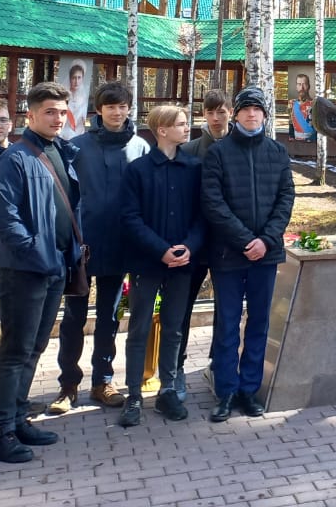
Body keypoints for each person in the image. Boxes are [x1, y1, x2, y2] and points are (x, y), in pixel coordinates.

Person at [0, 82, 80, 463]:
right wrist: (35, 253)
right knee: (15, 350)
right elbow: (2, 219)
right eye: (49, 112)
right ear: (31, 116)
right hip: (25, 270)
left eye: (61, 112)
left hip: (55, 265)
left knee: (34, 347)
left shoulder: (60, 152)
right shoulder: (16, 158)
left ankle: (16, 417)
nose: (57, 118)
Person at [51, 81, 150, 413]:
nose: (117, 112)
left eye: (123, 106)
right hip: (82, 246)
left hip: (121, 245)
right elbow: (63, 196)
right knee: (73, 317)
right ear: (99, 110)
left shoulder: (140, 147)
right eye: (111, 106)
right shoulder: (76, 147)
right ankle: (68, 385)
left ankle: (103, 381)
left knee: (109, 317)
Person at [201, 86, 295, 422]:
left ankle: (248, 390)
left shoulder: (277, 153)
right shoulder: (218, 154)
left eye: (258, 110)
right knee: (227, 324)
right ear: (236, 114)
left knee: (259, 322)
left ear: (265, 116)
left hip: (266, 255)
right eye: (246, 110)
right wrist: (245, 241)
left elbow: (286, 198)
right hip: (229, 254)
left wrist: (266, 240)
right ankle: (226, 391)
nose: (252, 115)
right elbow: (213, 203)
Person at [118, 105, 204, 427]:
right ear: (163, 130)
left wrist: (188, 248)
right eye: (181, 124)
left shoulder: (193, 168)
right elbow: (130, 218)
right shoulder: (138, 170)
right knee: (139, 327)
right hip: (146, 263)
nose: (187, 129)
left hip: (182, 264)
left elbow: (201, 216)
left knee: (174, 327)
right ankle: (134, 394)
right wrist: (160, 250)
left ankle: (168, 390)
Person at [176, 89, 231, 400]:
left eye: (222, 111)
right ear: (203, 115)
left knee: (227, 307)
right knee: (182, 306)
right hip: (195, 242)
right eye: (210, 111)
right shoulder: (191, 149)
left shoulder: (240, 147)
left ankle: (218, 362)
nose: (216, 117)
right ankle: (177, 365)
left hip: (228, 244)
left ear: (231, 112)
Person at [61, 61, 90, 141]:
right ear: (70, 78)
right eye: (74, 77)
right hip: (62, 135)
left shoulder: (84, 97)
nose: (76, 81)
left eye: (79, 77)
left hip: (79, 135)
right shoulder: (63, 96)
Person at [290, 73, 317, 141]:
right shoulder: (291, 103)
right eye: (299, 84)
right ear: (296, 87)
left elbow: (320, 128)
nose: (301, 88)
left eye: (304, 84)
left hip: (311, 142)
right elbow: (290, 124)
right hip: (295, 142)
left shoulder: (315, 104)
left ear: (308, 86)